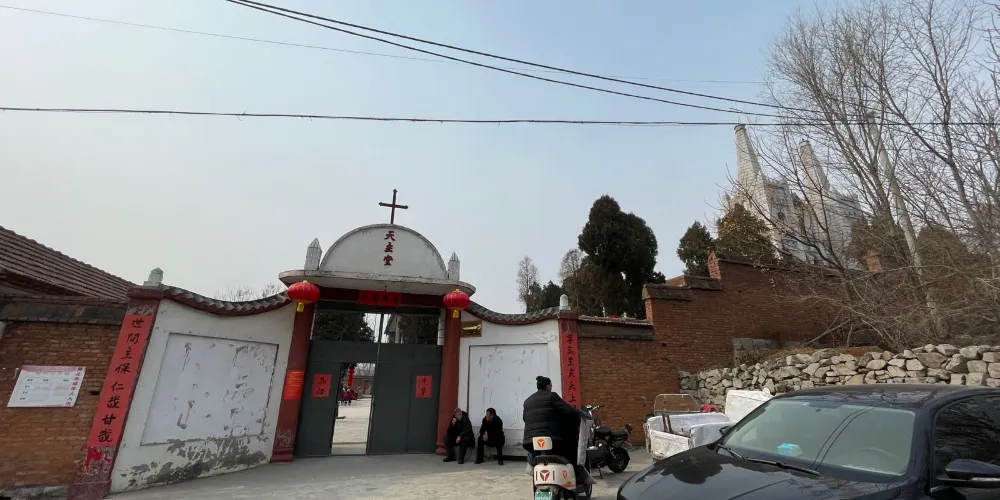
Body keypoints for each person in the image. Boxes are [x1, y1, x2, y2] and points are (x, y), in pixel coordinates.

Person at [522, 376, 589, 476]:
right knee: (572, 449)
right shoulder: (552, 396)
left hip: (530, 442)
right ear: (548, 386)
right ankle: (577, 476)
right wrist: (582, 416)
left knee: (534, 454)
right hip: (554, 441)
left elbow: (524, 419)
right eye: (551, 386)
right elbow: (570, 411)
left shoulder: (527, 401)